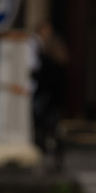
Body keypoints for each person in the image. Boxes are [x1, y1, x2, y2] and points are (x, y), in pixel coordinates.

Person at [30, 21, 69, 170]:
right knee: (52, 131)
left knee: (43, 132)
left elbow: (42, 80)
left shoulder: (46, 60)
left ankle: (43, 158)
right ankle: (54, 159)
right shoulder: (56, 61)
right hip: (53, 101)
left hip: (46, 101)